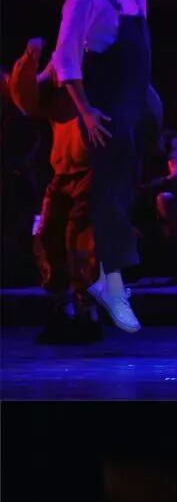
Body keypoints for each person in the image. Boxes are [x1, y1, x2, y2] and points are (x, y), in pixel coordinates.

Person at [51, 0, 163, 333]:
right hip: (109, 107)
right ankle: (108, 286)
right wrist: (86, 111)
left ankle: (109, 280)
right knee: (108, 197)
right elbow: (65, 58)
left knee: (126, 193)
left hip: (134, 103)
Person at [7, 36, 97, 340]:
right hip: (63, 170)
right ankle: (63, 308)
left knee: (81, 240)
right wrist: (29, 59)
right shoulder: (61, 64)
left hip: (91, 169)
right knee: (48, 236)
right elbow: (27, 100)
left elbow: (138, 97)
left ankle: (87, 312)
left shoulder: (103, 61)